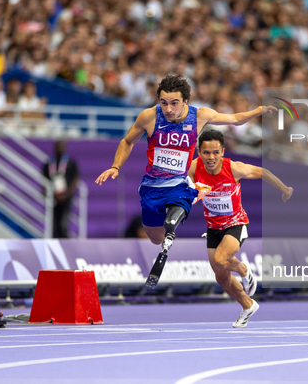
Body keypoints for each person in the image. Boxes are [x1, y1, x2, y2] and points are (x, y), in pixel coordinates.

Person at [95, 74, 276, 288]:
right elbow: (127, 142)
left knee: (181, 200)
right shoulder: (148, 117)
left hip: (179, 185)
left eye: (174, 103)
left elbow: (235, 119)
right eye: (163, 103)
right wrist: (115, 166)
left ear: (185, 102)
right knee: (155, 237)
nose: (168, 109)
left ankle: (175, 219)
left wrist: (257, 111)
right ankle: (168, 230)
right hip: (151, 188)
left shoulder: (200, 116)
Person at [188, 129, 293, 328]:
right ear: (199, 152)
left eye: (216, 152)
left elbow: (264, 172)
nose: (211, 157)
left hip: (235, 224)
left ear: (223, 152)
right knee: (221, 277)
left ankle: (244, 270)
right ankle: (248, 305)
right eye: (206, 152)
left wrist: (284, 189)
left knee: (221, 258)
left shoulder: (234, 168)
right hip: (213, 228)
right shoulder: (193, 168)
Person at [43, 140, 80, 238]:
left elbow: (75, 180)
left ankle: (64, 246)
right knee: (53, 224)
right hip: (53, 198)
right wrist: (50, 194)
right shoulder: (49, 163)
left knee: (63, 224)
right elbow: (44, 181)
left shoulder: (71, 163)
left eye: (61, 146)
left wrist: (66, 194)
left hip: (66, 198)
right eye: (58, 147)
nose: (59, 149)